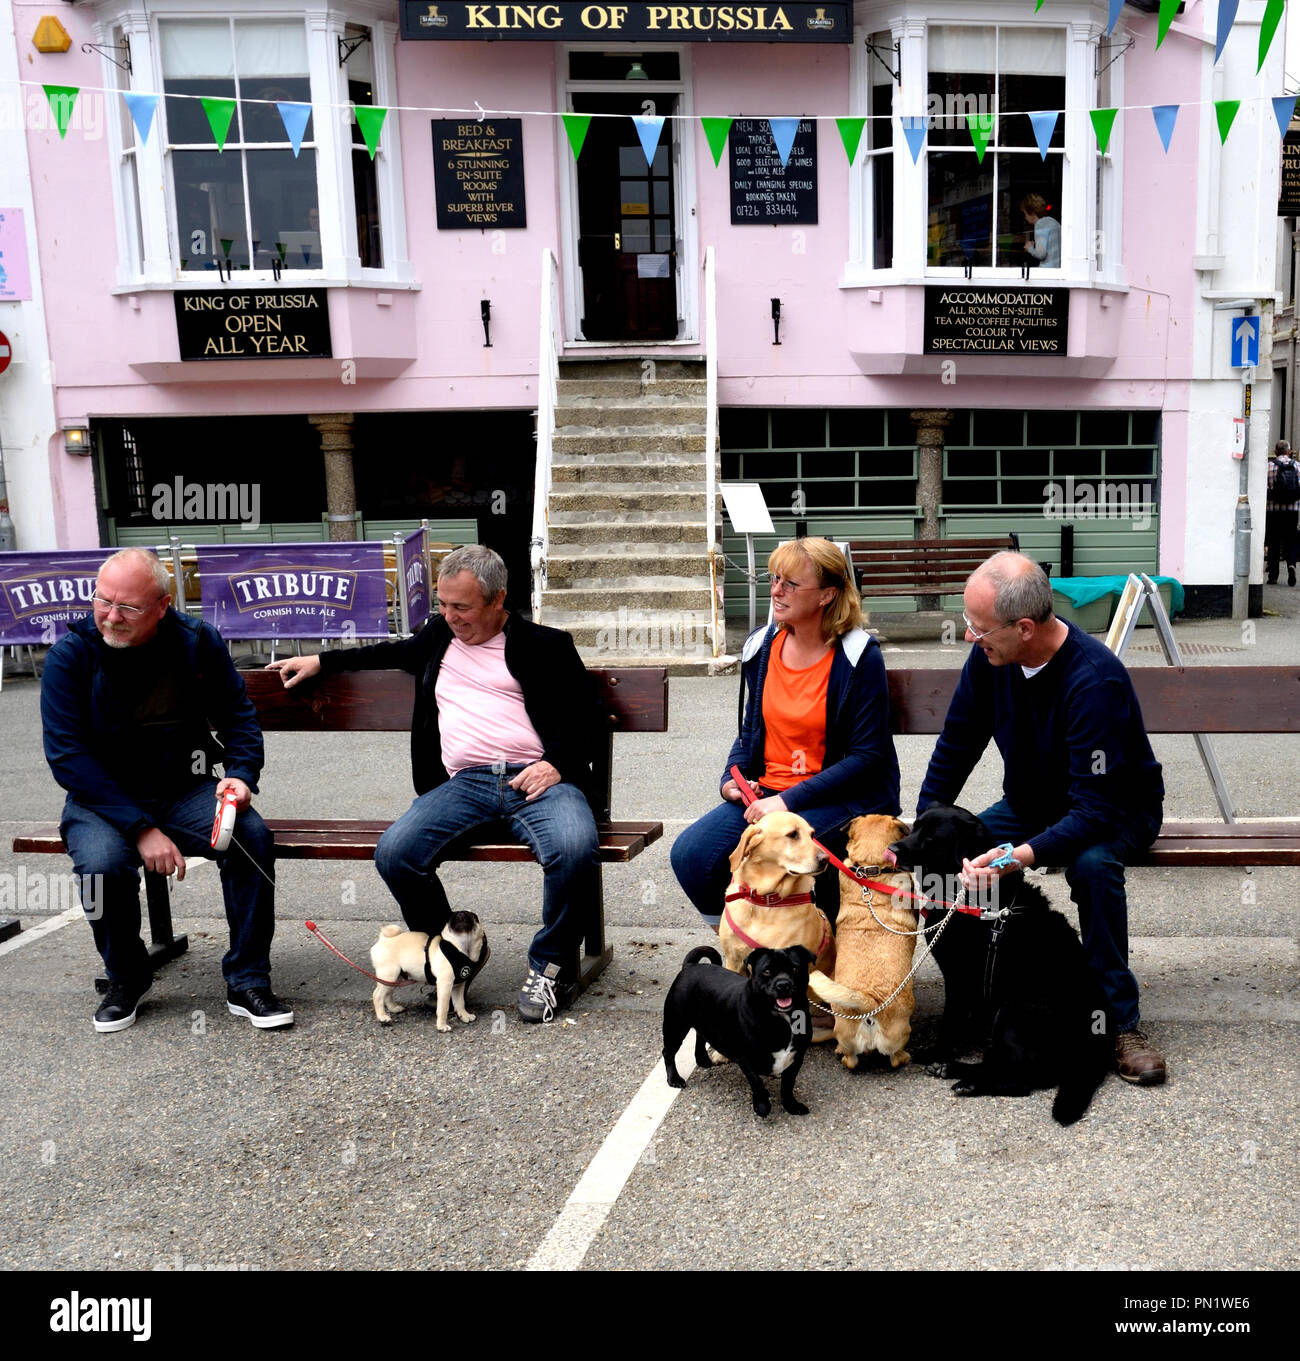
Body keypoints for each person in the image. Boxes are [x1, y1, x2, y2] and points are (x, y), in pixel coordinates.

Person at [268, 544, 600, 1023]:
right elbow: (386, 651)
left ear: (498, 599)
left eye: (461, 606)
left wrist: (557, 765)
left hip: (537, 779)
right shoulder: (437, 638)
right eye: (442, 605)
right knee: (396, 853)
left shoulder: (547, 646)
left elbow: (587, 721)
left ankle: (548, 966)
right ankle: (445, 953)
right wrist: (323, 660)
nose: (449, 616)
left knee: (574, 847)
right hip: (466, 783)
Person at [916, 551, 1166, 1085]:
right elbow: (958, 742)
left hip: (1115, 812)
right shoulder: (991, 659)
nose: (968, 638)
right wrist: (925, 826)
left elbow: (1094, 810)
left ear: (1024, 627)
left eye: (977, 628)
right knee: (944, 863)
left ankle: (1118, 1021)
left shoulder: (1093, 681)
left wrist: (1017, 858)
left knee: (1093, 869)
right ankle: (980, 1003)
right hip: (1032, 805)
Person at [40, 549, 289, 1032]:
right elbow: (68, 758)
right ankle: (126, 977)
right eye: (103, 601)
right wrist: (141, 829)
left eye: (128, 607)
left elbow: (238, 715)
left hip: (185, 788)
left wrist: (241, 774)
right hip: (103, 800)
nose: (111, 616)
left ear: (162, 605)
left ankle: (247, 980)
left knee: (251, 841)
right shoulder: (71, 656)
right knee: (101, 866)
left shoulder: (196, 642)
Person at [671, 537, 901, 930]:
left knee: (799, 853)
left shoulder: (859, 656)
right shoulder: (761, 646)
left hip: (842, 797)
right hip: (769, 796)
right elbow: (750, 731)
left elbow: (867, 756)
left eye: (792, 583)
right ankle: (748, 945)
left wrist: (788, 801)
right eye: (775, 578)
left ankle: (811, 946)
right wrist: (732, 777)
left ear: (828, 594)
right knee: (692, 854)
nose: (776, 590)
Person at [1265, 438, 1299, 586]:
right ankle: (1291, 565)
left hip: (1274, 511)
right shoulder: (1297, 466)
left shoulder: (1269, 466)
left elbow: (1264, 489)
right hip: (1292, 510)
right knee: (1291, 540)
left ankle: (1273, 575)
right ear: (1289, 452)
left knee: (1273, 542)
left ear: (1275, 452)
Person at [1020, 193, 1060, 269]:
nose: (1025, 217)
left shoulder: (1040, 225)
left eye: (1025, 214)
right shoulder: (1054, 222)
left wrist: (1030, 248)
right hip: (1058, 270)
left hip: (1047, 271)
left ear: (1032, 212)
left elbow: (1041, 254)